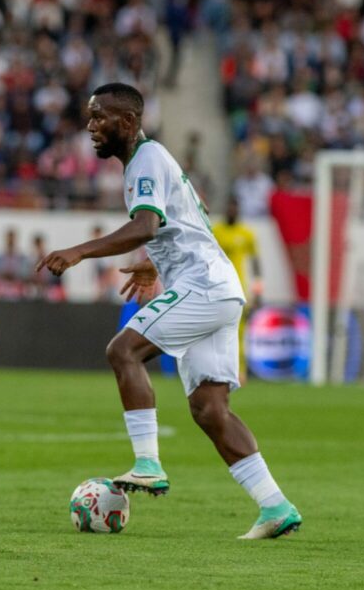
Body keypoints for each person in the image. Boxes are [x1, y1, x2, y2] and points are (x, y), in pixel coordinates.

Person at [36, 83, 301, 540]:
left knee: (123, 351)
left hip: (204, 284)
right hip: (214, 285)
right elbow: (182, 224)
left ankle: (147, 463)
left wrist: (79, 251)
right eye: (89, 116)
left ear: (128, 122)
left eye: (100, 117)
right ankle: (275, 505)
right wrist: (152, 263)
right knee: (209, 409)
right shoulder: (151, 162)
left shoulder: (147, 159)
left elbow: (146, 224)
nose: (91, 126)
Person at [212, 197, 262, 384]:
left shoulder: (246, 234)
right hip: (216, 288)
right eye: (229, 208)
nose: (232, 211)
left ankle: (239, 372)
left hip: (239, 290)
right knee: (215, 332)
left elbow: (256, 264)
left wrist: (258, 291)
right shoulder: (215, 231)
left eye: (235, 208)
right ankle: (218, 371)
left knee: (239, 333)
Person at [0, 228, 30, 300]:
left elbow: (26, 275)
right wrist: (3, 274)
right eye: (9, 239)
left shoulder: (22, 258)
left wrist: (14, 275)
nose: (10, 241)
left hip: (17, 288)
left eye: (12, 239)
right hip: (2, 288)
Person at [30, 233, 66, 301]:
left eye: (39, 244)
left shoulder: (51, 260)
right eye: (36, 245)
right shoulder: (31, 260)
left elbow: (57, 278)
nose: (38, 247)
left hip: (50, 291)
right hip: (35, 291)